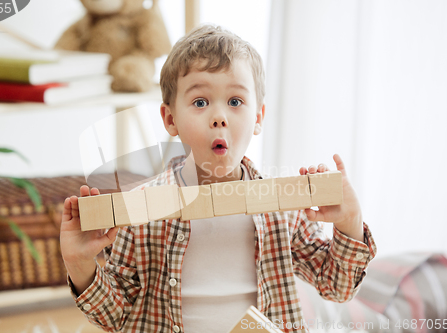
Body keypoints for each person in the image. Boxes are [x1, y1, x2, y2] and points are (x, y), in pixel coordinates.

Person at [60, 24, 377, 333]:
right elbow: (115, 316)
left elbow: (337, 287)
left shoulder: (285, 207)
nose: (219, 117)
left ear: (258, 118)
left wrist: (349, 222)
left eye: (235, 102)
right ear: (171, 119)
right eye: (200, 102)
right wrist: (79, 264)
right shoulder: (139, 211)